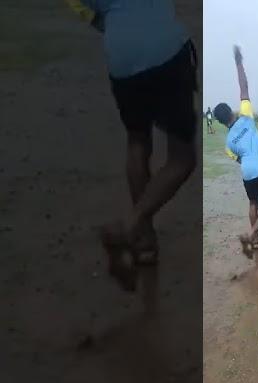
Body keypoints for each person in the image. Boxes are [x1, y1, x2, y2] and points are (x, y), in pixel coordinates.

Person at [66, 0, 198, 291]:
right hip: (166, 52)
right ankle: (130, 226)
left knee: (138, 143)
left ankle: (145, 242)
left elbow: (93, 17)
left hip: (122, 59)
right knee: (182, 158)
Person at [213, 46, 258, 259]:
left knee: (252, 203)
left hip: (247, 173)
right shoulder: (246, 116)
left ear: (220, 122)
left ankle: (256, 241)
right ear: (231, 111)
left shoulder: (228, 143)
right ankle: (251, 234)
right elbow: (244, 86)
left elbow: (238, 160)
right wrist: (238, 62)